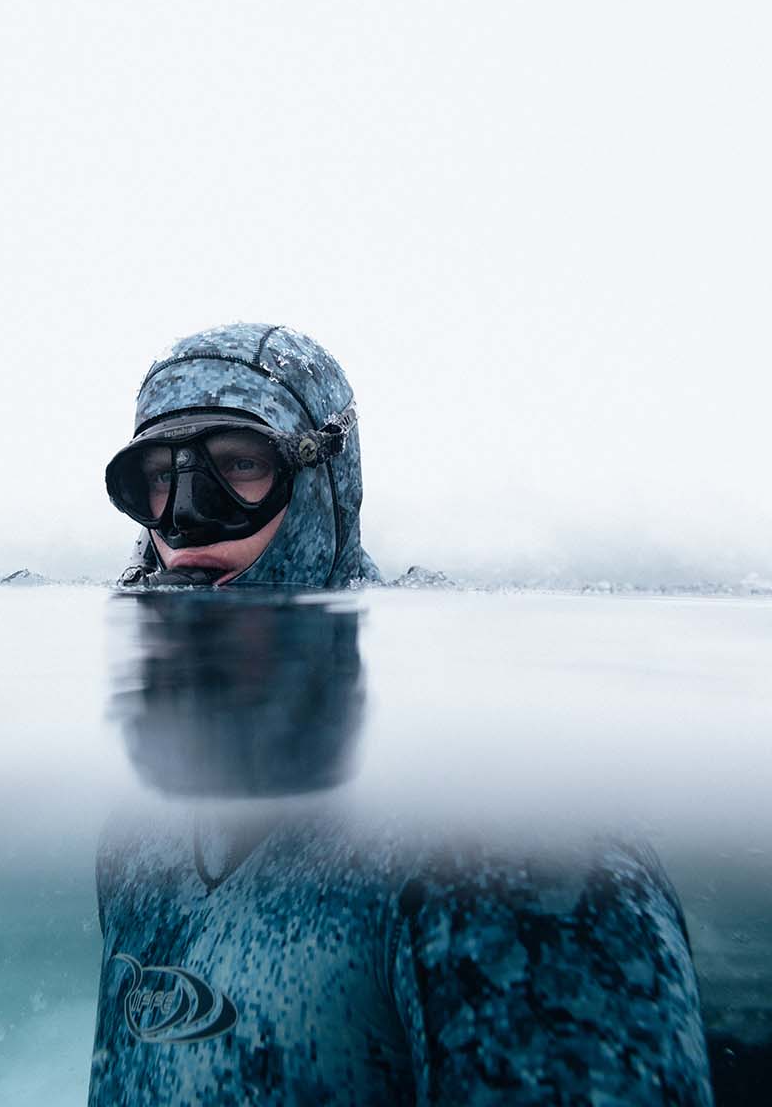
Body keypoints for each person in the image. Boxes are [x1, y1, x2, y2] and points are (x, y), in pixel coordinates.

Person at [92, 323, 713, 1104]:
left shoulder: (509, 840)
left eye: (241, 466)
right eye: (155, 479)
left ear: (325, 479)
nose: (182, 521)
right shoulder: (138, 839)